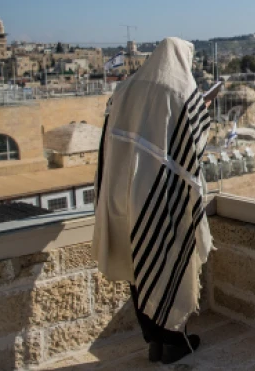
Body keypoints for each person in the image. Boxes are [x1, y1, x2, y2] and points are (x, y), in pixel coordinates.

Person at [93, 38, 220, 364]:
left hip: (123, 191)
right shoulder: (180, 90)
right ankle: (174, 342)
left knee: (141, 262)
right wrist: (204, 108)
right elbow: (194, 141)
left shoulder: (126, 88)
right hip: (163, 193)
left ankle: (153, 340)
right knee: (171, 260)